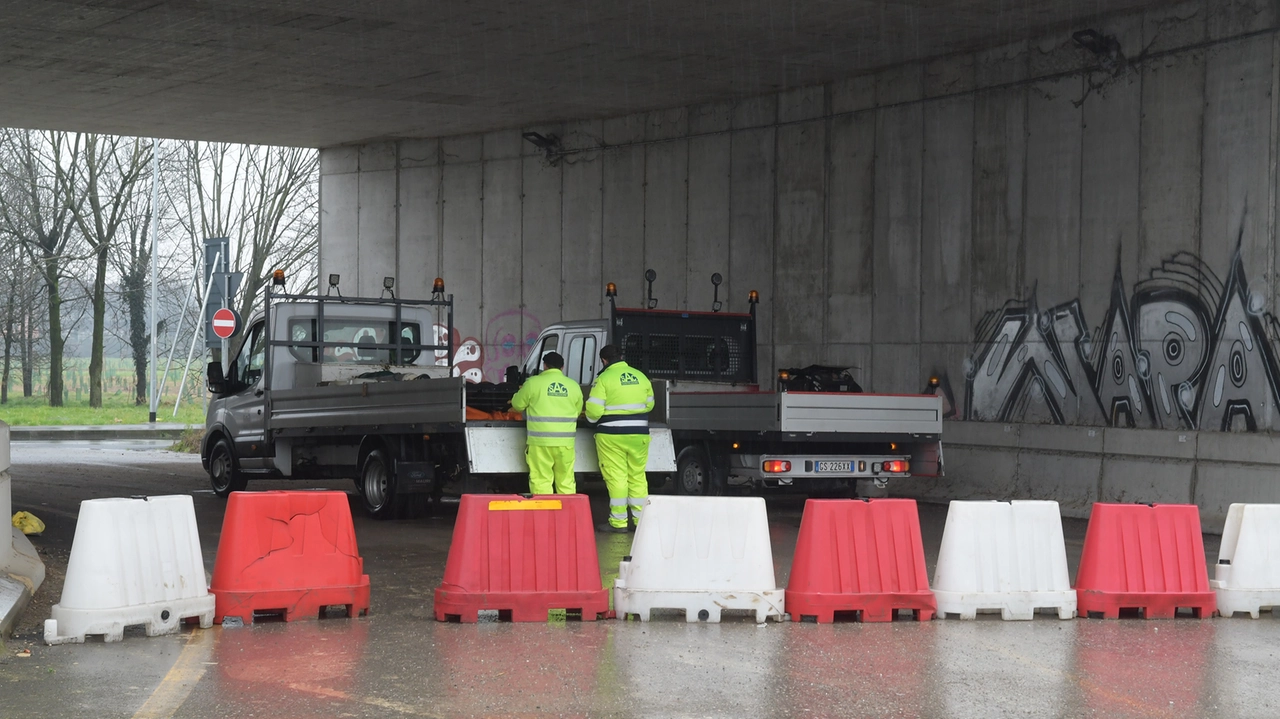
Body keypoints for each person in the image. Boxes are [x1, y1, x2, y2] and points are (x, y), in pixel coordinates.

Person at [585, 344, 654, 533]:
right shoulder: (640, 376)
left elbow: (593, 411)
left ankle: (618, 522)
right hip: (639, 434)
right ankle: (641, 522)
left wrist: (590, 420)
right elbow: (649, 405)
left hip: (612, 435)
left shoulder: (604, 379)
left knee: (617, 478)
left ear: (604, 360)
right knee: (638, 477)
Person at [511, 351, 583, 494]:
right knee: (566, 481)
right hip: (565, 444)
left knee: (541, 481)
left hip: (540, 443)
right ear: (562, 367)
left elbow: (517, 405)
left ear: (545, 366)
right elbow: (578, 410)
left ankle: (545, 515)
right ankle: (567, 514)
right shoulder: (573, 386)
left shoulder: (532, 383)